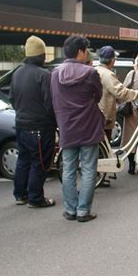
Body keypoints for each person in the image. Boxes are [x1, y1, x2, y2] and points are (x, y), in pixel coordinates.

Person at [51, 35, 104, 223]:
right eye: (86, 50)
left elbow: (55, 100)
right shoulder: (90, 73)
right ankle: (83, 211)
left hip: (67, 127)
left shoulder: (56, 74)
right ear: (80, 51)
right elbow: (98, 96)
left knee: (68, 169)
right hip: (89, 126)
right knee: (89, 169)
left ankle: (70, 209)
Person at [9, 36, 57, 208]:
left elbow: (12, 99)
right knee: (40, 162)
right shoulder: (44, 75)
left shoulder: (17, 73)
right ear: (41, 56)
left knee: (23, 160)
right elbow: (50, 104)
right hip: (40, 127)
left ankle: (20, 194)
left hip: (21, 124)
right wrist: (55, 122)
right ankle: (35, 198)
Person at [97, 46, 138, 141]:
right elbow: (121, 91)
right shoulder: (107, 74)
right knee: (104, 147)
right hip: (105, 115)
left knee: (100, 147)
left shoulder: (96, 70)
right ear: (112, 60)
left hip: (98, 114)